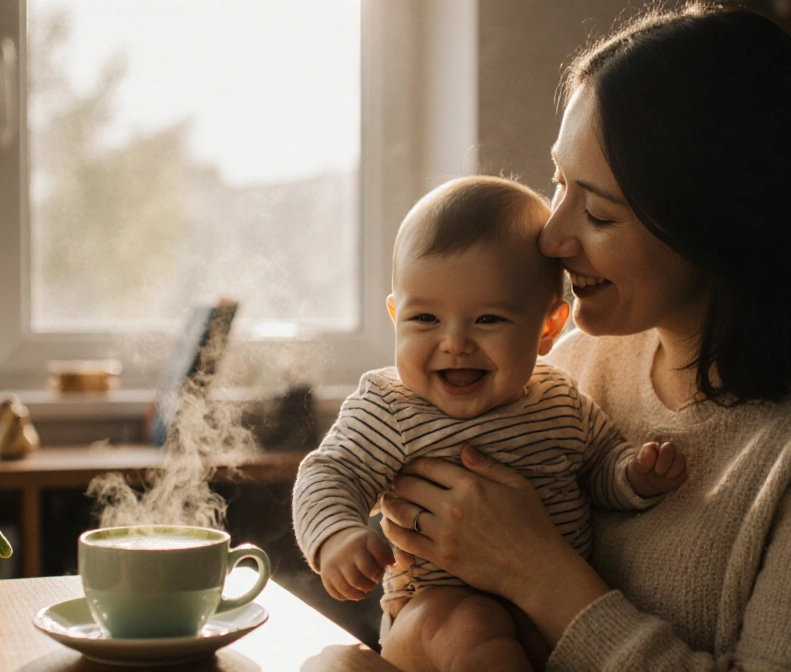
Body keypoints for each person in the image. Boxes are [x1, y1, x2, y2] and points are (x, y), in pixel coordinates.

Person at [378, 4, 791, 670]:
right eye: (559, 183)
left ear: (714, 221)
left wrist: (535, 571)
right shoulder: (571, 363)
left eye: (598, 211)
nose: (552, 235)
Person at [292, 175, 689, 672]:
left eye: (488, 321)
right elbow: (330, 473)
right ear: (396, 317)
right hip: (432, 613)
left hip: (544, 613)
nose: (454, 342)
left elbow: (599, 465)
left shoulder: (560, 398)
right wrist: (336, 536)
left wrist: (633, 475)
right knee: (472, 630)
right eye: (425, 320)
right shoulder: (390, 406)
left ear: (547, 328)